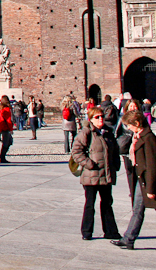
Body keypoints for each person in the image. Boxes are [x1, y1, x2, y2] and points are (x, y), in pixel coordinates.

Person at [71, 106, 121, 241]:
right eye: (97, 117)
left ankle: (111, 231)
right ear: (91, 119)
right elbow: (76, 151)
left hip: (106, 174)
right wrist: (89, 164)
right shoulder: (86, 132)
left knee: (107, 203)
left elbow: (115, 150)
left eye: (102, 116)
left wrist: (116, 164)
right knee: (90, 204)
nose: (100, 119)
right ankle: (87, 232)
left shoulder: (108, 133)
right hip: (91, 175)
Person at [112, 110, 155, 250]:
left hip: (148, 182)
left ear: (136, 123)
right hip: (141, 180)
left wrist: (150, 189)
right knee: (137, 209)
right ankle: (128, 239)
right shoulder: (138, 136)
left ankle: (128, 238)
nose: (128, 128)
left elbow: (152, 165)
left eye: (129, 125)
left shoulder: (149, 138)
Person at [0, 95, 14, 163]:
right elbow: (8, 120)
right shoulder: (6, 109)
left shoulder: (0, 108)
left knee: (7, 142)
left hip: (2, 127)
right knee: (7, 142)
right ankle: (2, 156)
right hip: (6, 128)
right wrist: (11, 129)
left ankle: (2, 155)